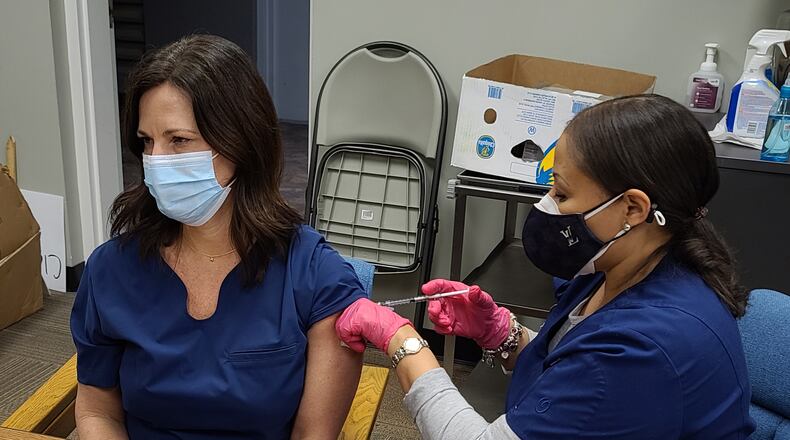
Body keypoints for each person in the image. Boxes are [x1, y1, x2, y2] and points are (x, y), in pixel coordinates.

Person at [336, 94, 756, 439]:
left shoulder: (644, 350)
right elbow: (573, 361)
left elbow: (594, 373)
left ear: (632, 208)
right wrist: (502, 333)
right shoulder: (621, 268)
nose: (547, 205)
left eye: (563, 193)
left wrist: (403, 341)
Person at [70, 35, 366, 439]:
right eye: (146, 141)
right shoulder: (111, 269)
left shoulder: (314, 277)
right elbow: (97, 411)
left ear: (240, 141)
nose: (155, 161)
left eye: (179, 140)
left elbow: (313, 434)